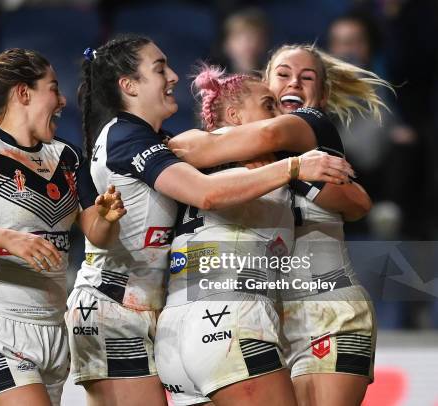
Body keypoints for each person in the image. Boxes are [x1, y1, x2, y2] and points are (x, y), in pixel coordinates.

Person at [66, 34, 353, 406]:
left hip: (163, 320)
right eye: (159, 69)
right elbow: (207, 193)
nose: (172, 76)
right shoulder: (129, 138)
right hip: (125, 309)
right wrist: (294, 165)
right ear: (129, 85)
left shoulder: (160, 141)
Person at [169, 44, 390, 406]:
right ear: (265, 83)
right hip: (267, 316)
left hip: (328, 310)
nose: (294, 84)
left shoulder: (312, 127)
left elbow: (358, 202)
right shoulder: (251, 156)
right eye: (284, 74)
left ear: (323, 93)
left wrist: (163, 152)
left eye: (307, 78)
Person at [0, 48, 126, 406]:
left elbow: (97, 234)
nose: (62, 100)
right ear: (23, 93)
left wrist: (106, 219)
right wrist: (7, 239)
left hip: (52, 333)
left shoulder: (67, 157)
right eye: (53, 88)